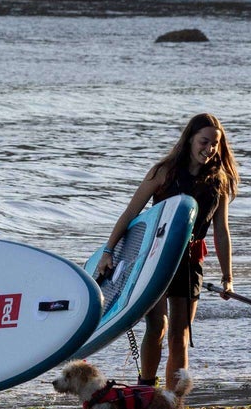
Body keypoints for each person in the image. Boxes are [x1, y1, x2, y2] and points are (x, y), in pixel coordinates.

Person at [97, 113, 238, 389]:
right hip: (155, 259)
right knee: (158, 327)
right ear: (189, 140)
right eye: (204, 141)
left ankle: (173, 402)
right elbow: (131, 214)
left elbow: (221, 231)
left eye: (215, 144)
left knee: (180, 334)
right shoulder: (164, 172)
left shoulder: (218, 181)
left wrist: (227, 277)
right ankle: (146, 390)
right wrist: (108, 251)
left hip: (190, 263)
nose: (209, 149)